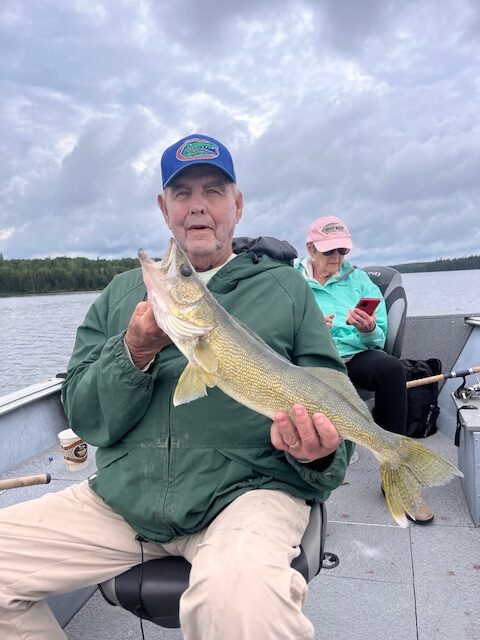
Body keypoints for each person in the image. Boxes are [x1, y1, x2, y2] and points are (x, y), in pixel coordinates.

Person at [0, 134, 354, 640]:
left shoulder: (287, 289)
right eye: (182, 194)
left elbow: (329, 393)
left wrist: (318, 454)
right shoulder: (122, 294)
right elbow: (87, 416)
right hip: (126, 499)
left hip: (247, 493)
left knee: (241, 605)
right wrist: (134, 351)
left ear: (237, 204)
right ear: (164, 209)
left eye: (213, 190)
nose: (198, 207)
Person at [295, 214, 434, 524]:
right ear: (310, 247)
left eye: (342, 251)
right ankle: (297, 478)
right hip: (311, 357)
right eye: (329, 251)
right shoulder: (291, 280)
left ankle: (396, 472)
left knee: (390, 369)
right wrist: (310, 329)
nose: (337, 258)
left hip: (352, 356)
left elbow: (380, 337)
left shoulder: (359, 281)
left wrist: (368, 328)